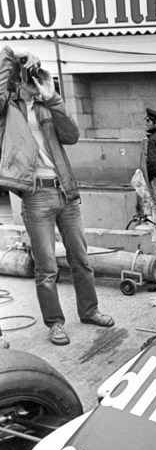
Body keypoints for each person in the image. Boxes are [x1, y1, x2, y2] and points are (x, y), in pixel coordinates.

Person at [0, 45, 114, 345]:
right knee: (47, 268)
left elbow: (72, 135)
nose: (32, 80)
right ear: (16, 79)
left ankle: (89, 311)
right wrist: (15, 56)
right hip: (36, 197)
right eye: (28, 76)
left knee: (81, 259)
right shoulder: (6, 110)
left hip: (66, 192)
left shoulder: (45, 107)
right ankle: (55, 323)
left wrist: (52, 96)